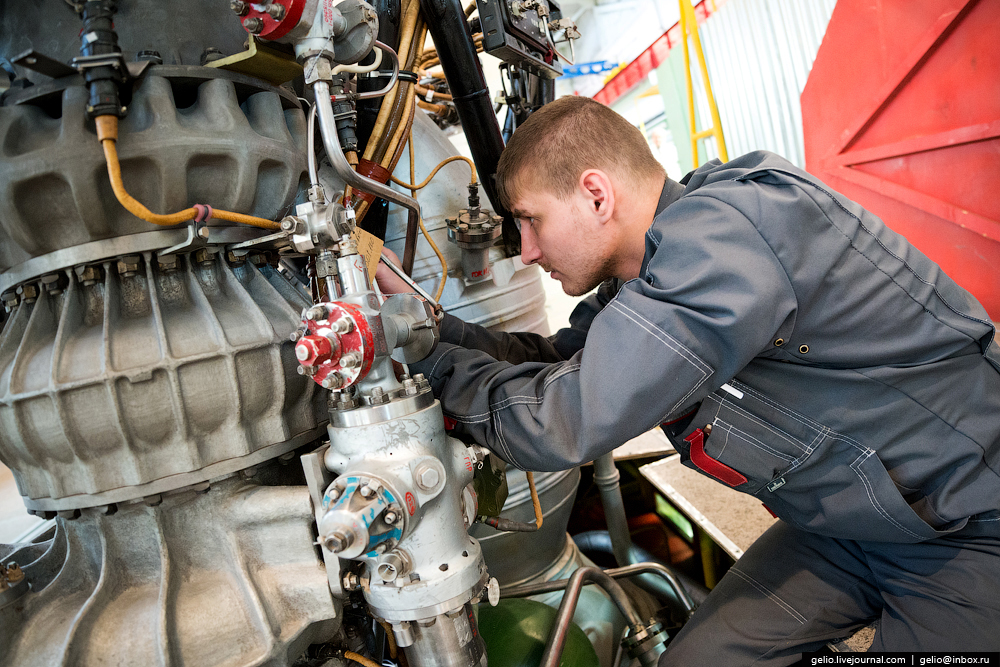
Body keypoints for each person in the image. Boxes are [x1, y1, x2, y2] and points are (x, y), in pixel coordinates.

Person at [376, 96, 1000, 663]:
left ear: (596, 194)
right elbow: (558, 363)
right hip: (846, 525)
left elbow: (567, 418)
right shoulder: (651, 274)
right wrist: (430, 335)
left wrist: (433, 368)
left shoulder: (727, 235)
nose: (528, 250)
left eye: (531, 219)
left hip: (968, 527)